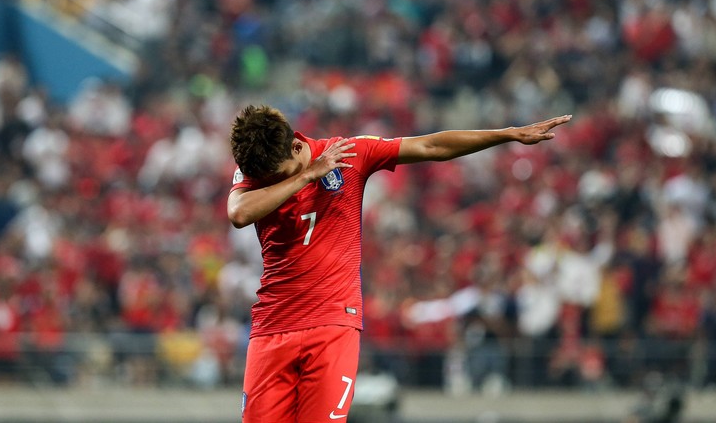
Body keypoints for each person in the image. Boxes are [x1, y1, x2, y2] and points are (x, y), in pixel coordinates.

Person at [227, 104, 571, 422]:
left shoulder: (351, 153)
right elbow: (239, 213)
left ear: (297, 147)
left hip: (332, 324)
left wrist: (507, 134)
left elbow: (431, 147)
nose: (273, 183)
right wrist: (304, 176)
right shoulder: (255, 167)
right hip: (272, 326)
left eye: (281, 174)